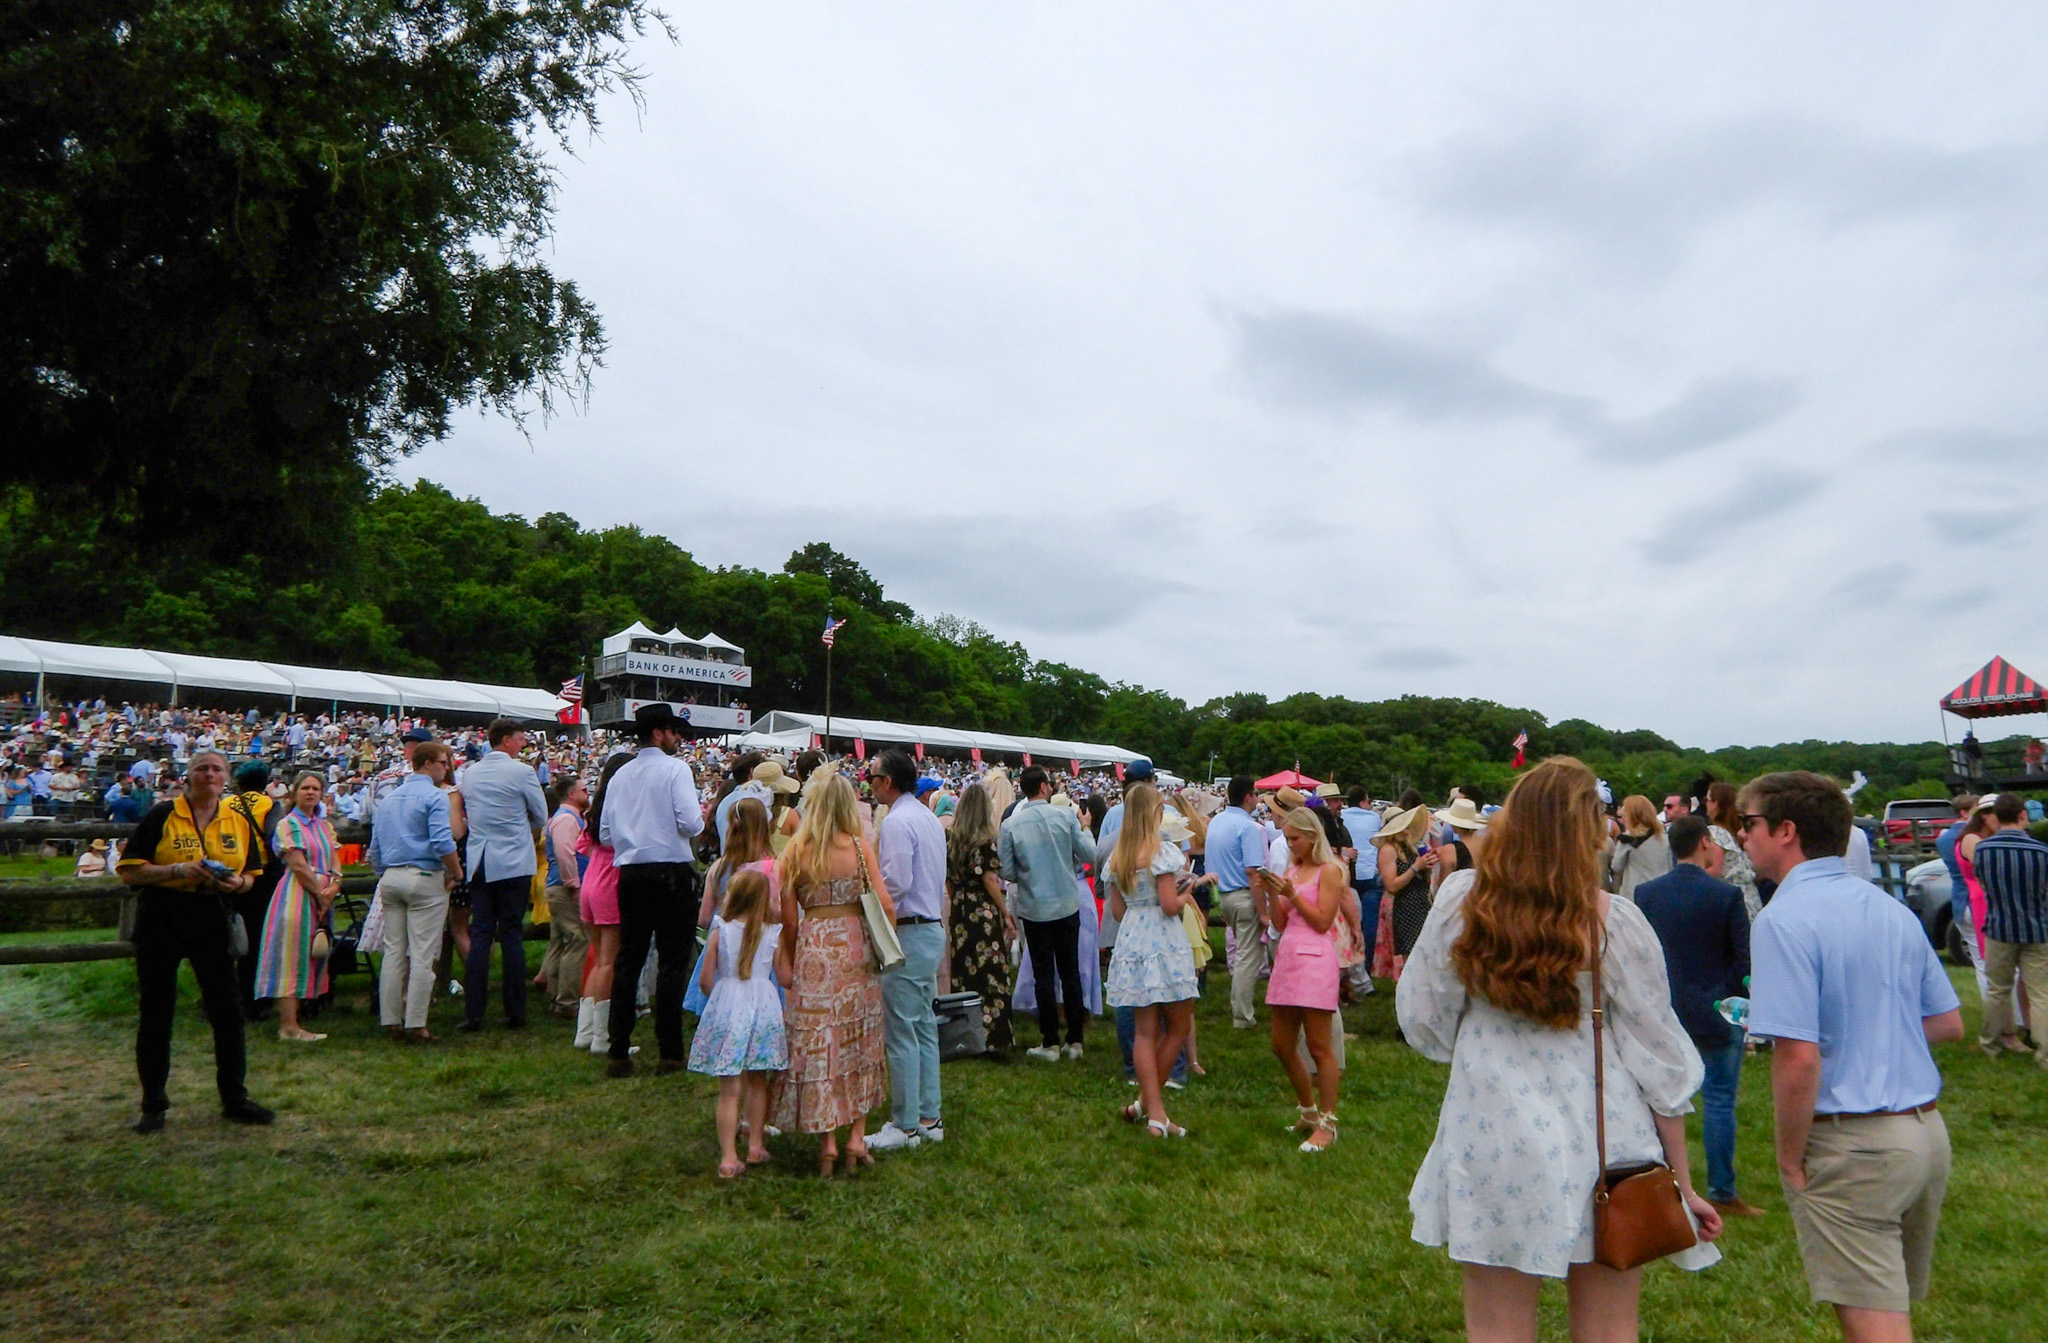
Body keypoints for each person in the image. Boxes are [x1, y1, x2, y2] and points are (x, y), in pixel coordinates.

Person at [1399, 757, 1722, 1340]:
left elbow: (1422, 1019)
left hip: (1494, 1137)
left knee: (1497, 1329)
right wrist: (1683, 1183)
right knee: (1608, 1330)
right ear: (1587, 833)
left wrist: (1484, 1032)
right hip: (1609, 1146)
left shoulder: (1462, 902)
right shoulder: (1613, 922)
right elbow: (1660, 1064)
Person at [1740, 771, 1963, 1342]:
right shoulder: (1888, 908)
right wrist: (1876, 1035)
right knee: (1891, 1315)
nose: (1741, 836)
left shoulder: (1783, 920)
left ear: (1786, 831)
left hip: (1853, 1143)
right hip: (1924, 1134)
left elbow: (1797, 1057)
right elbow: (1946, 1022)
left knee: (1876, 1326)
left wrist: (1789, 1159)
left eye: (1749, 824)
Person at [116, 749, 275, 1133]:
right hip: (163, 913)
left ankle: (234, 1098)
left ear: (227, 778)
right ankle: (153, 1104)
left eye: (217, 769)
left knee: (227, 1010)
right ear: (188, 776)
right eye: (201, 768)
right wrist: (177, 869)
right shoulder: (162, 814)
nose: (209, 774)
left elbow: (252, 874)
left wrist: (237, 883)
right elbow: (130, 872)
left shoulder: (236, 820)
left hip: (212, 915)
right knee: (156, 1010)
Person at [1633, 815, 1757, 1217]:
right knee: (1720, 1099)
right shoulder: (1726, 896)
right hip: (1716, 1009)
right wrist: (1738, 1006)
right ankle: (1721, 1189)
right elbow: (1743, 961)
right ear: (1705, 842)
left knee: (1663, 1100)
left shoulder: (1647, 894)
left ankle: (1658, 1183)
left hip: (1663, 1010)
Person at [774, 772, 891, 1176]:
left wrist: (789, 956)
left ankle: (827, 1143)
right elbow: (886, 903)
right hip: (855, 946)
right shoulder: (859, 848)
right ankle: (857, 1138)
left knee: (820, 1045)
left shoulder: (794, 852)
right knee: (860, 1040)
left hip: (814, 947)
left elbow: (788, 918)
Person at [596, 704, 704, 1074]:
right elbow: (691, 822)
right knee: (672, 964)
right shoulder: (676, 769)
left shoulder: (621, 774)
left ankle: (618, 1050)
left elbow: (605, 833)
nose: (679, 738)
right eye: (674, 731)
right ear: (659, 733)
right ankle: (670, 1051)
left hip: (632, 873)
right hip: (671, 870)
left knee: (629, 961)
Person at [1104, 783, 1198, 1139]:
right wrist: (1187, 892)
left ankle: (1148, 1105)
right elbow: (1169, 905)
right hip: (1163, 938)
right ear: (1155, 812)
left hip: (1131, 937)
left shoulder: (1120, 857)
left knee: (1145, 1031)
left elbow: (1116, 909)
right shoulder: (1162, 852)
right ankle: (1155, 1110)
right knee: (1178, 1023)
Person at [867, 748, 948, 1151]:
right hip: (928, 927)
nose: (870, 784)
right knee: (921, 1026)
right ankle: (928, 1116)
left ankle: (905, 1123)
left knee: (902, 1029)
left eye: (873, 777)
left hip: (911, 930)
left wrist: (869, 904)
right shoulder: (926, 817)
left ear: (889, 782)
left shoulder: (898, 821)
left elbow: (894, 883)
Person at [689, 868, 790, 1179]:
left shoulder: (720, 930)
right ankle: (756, 1143)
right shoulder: (774, 933)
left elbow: (706, 979)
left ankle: (728, 1156)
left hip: (729, 1004)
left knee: (729, 1088)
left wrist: (718, 994)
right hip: (763, 1006)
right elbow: (785, 977)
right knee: (759, 1081)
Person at [456, 718, 549, 1033]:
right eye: (520, 739)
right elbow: (540, 814)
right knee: (511, 934)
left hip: (480, 858)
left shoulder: (470, 774)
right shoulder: (521, 772)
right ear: (507, 740)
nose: (523, 744)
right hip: (513, 861)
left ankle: (474, 1010)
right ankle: (515, 1009)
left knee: (481, 934)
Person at [1000, 765, 1098, 1062]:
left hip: (1035, 904)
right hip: (1066, 902)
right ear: (1044, 787)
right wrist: (1085, 829)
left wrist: (1027, 875)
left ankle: (1050, 1040)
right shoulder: (1065, 815)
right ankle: (1075, 1039)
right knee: (1070, 970)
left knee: (1043, 973)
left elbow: (1006, 870)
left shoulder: (1011, 825)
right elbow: (1090, 855)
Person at [1266, 806, 1348, 1153]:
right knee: (1281, 1044)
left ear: (1313, 836)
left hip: (1315, 959)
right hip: (1289, 957)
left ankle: (1328, 1123)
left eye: (1295, 838)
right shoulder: (1294, 870)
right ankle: (1308, 1110)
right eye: (1286, 839)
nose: (1290, 844)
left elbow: (1322, 922)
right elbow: (1280, 923)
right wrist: (1273, 891)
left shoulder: (1330, 871)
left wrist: (1292, 894)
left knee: (1319, 1046)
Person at [369, 740, 463, 1043]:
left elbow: (375, 850)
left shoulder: (390, 799)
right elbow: (442, 840)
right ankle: (416, 1023)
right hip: (424, 874)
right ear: (427, 764)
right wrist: (456, 870)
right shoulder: (435, 797)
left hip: (392, 876)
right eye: (443, 762)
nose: (446, 767)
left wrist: (385, 874)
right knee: (422, 954)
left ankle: (390, 1019)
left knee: (394, 951)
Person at [252, 771, 340, 1043]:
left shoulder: (324, 826)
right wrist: (320, 893)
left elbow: (335, 858)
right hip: (298, 895)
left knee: (314, 953)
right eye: (305, 788)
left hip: (323, 893)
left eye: (315, 788)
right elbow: (297, 863)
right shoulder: (287, 824)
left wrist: (335, 885)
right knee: (291, 956)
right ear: (295, 793)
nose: (310, 793)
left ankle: (301, 1016)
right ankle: (288, 1024)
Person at [1969, 792, 2048, 1067]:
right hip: (2037, 929)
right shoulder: (2041, 851)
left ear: (1997, 818)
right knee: (2040, 993)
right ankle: (2044, 1054)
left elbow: (1983, 883)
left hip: (1999, 927)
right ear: (2022, 815)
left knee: (1997, 989)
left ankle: (1990, 1045)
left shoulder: (1982, 850)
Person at [946, 782, 1015, 1054]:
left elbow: (950, 882)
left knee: (963, 970)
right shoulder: (986, 842)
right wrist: (1004, 911)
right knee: (991, 972)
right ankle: (993, 1035)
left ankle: (965, 1035)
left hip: (961, 908)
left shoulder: (951, 839)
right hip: (983, 909)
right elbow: (989, 878)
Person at [574, 751, 633, 1056]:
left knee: (598, 959)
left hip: (591, 881)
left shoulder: (596, 808)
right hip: (611, 882)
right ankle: (602, 1036)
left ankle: (585, 1032)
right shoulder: (622, 806)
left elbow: (581, 845)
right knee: (609, 962)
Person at [1207, 776, 1271, 1029]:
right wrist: (1264, 913)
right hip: (1244, 895)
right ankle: (1242, 1015)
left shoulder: (1216, 822)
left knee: (1243, 955)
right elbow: (1253, 872)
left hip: (1223, 895)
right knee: (1248, 958)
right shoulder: (1249, 828)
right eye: (1255, 793)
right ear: (1248, 796)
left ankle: (1241, 1011)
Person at [539, 776, 590, 1019]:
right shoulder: (567, 820)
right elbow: (565, 851)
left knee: (559, 940)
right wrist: (574, 883)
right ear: (571, 794)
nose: (587, 793)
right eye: (583, 790)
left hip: (557, 885)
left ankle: (553, 990)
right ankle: (567, 1001)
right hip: (565, 887)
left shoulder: (565, 817)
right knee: (578, 939)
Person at [1373, 803, 1436, 979]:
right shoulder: (1388, 850)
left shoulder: (1410, 847)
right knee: (1410, 956)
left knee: (1423, 952)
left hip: (1419, 903)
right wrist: (1416, 867)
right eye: (1405, 823)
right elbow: (1391, 885)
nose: (1409, 827)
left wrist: (1426, 867)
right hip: (1403, 906)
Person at [1340, 785, 1383, 995]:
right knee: (1370, 924)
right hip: (1370, 874)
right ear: (1364, 801)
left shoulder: (1342, 817)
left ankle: (1349, 969)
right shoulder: (1374, 818)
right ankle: (1365, 968)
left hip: (1350, 874)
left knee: (1350, 924)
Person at [1705, 781, 1762, 918]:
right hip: (1752, 898)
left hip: (1733, 903)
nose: (1705, 804)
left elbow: (1715, 870)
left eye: (1707, 800)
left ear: (1716, 803)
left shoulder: (1715, 833)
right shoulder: (1741, 831)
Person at [1606, 795, 1672, 902]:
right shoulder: (1663, 838)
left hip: (1635, 893)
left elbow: (1616, 867)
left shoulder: (1627, 839)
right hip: (1661, 892)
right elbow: (1670, 865)